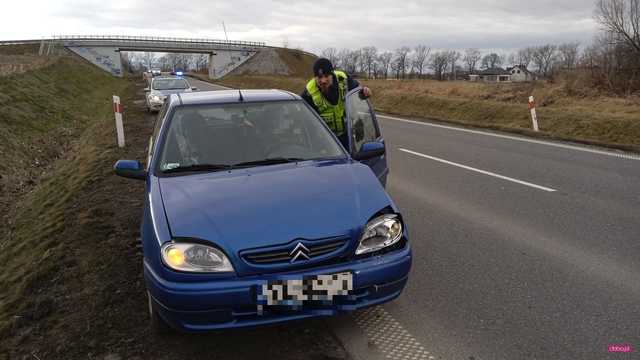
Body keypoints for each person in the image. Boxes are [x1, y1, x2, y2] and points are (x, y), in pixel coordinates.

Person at [301, 58, 371, 147]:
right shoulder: (309, 92)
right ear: (314, 77)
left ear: (332, 74)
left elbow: (358, 91)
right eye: (319, 77)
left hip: (348, 134)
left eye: (326, 76)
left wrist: (365, 92)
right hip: (326, 140)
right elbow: (304, 118)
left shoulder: (344, 79)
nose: (323, 81)